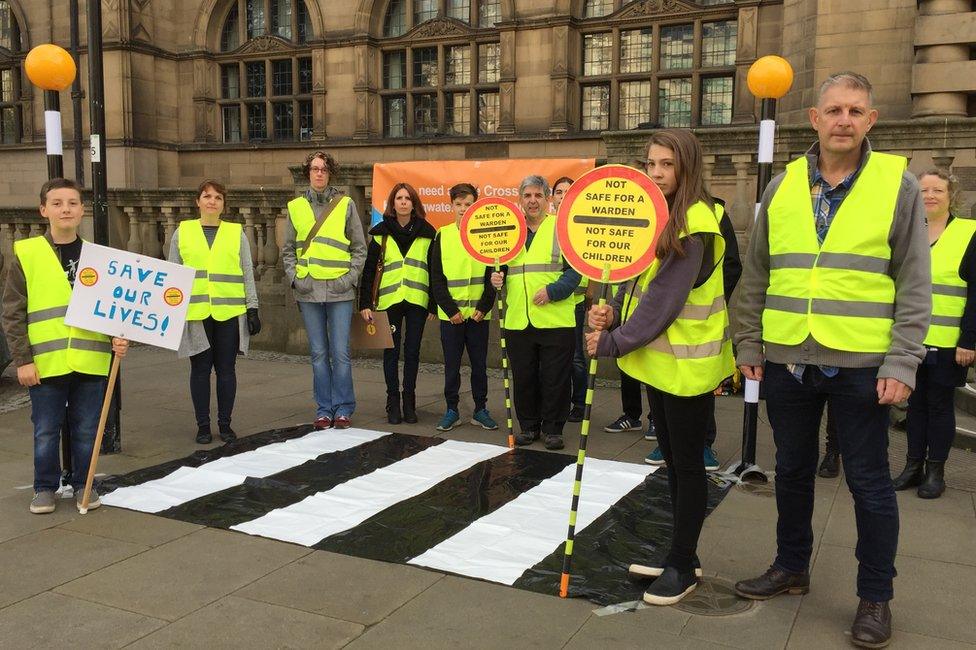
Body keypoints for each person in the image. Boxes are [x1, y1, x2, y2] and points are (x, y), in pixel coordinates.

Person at [732, 72, 929, 648]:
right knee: (791, 471)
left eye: (856, 110)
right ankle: (791, 567)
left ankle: (875, 596)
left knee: (869, 483)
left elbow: (914, 281)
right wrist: (749, 343)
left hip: (865, 364)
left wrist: (903, 363)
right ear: (814, 119)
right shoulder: (783, 185)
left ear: (871, 121)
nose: (844, 119)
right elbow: (757, 273)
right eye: (834, 110)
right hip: (790, 357)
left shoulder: (900, 185)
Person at [586, 129, 733, 605]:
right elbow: (644, 288)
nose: (655, 173)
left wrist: (613, 340)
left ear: (687, 166)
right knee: (673, 465)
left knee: (687, 468)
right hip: (662, 366)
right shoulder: (665, 215)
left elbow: (665, 303)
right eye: (650, 164)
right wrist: (612, 313)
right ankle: (680, 555)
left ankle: (682, 564)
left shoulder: (697, 221)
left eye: (666, 164)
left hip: (689, 369)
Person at [2, 178, 129, 514]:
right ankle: (45, 487)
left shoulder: (99, 258)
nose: (65, 209)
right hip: (45, 362)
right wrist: (22, 361)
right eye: (57, 203)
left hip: (91, 359)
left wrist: (118, 336)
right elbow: (12, 313)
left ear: (82, 210)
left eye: (72, 203)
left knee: (87, 429)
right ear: (44, 210)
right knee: (46, 430)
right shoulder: (26, 255)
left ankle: (82, 483)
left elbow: (116, 308)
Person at [641, 194, 741, 472]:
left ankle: (704, 444)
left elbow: (732, 264)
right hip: (658, 322)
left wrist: (705, 299)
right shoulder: (653, 210)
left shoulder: (715, 213)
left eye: (668, 164)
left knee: (699, 386)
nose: (659, 173)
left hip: (697, 325)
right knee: (658, 378)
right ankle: (665, 441)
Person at [892, 169, 976, 499]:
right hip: (910, 340)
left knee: (940, 407)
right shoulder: (908, 231)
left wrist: (969, 339)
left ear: (950, 195)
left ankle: (935, 471)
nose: (929, 195)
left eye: (937, 190)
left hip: (948, 342)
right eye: (924, 189)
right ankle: (913, 467)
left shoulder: (969, 233)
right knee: (913, 405)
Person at [491, 175, 581, 450]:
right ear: (520, 199)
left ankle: (553, 429)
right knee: (525, 377)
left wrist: (553, 291)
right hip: (519, 318)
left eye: (538, 196)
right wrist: (496, 278)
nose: (532, 201)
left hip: (555, 318)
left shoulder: (562, 229)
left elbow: (575, 270)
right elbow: (499, 266)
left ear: (548, 199)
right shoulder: (510, 232)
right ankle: (529, 427)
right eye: (527, 195)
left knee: (556, 378)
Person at [169, 180, 260, 444]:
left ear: (223, 204)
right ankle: (203, 426)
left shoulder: (236, 233)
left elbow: (247, 272)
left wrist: (252, 308)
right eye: (207, 196)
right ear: (197, 201)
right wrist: (172, 313)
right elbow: (172, 275)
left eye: (218, 197)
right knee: (199, 370)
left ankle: (225, 423)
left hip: (229, 311)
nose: (212, 201)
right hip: (196, 313)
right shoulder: (182, 232)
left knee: (226, 369)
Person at [282, 152, 367, 430]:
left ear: (331, 173)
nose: (319, 173)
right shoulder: (295, 207)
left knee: (340, 352)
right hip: (308, 290)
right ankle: (323, 409)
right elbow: (287, 250)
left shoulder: (345, 204)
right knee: (318, 353)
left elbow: (359, 247)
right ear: (308, 173)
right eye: (315, 169)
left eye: (324, 169)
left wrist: (350, 279)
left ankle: (343, 407)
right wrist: (296, 279)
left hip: (339, 290)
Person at [359, 182, 437, 424]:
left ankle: (409, 402)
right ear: (392, 203)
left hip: (417, 300)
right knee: (391, 353)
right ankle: (392, 402)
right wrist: (364, 304)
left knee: (412, 352)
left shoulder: (427, 232)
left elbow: (435, 271)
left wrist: (433, 304)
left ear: (414, 203)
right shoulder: (380, 233)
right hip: (388, 301)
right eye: (399, 198)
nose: (403, 202)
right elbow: (369, 271)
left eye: (408, 198)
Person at [429, 183, 498, 431]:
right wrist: (450, 310)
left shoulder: (486, 234)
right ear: (451, 206)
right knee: (452, 365)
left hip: (479, 315)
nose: (463, 209)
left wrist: (484, 305)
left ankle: (480, 409)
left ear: (475, 206)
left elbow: (495, 272)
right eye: (458, 204)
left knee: (480, 365)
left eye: (468, 204)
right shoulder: (443, 234)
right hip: (452, 316)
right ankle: (451, 410)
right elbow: (436, 277)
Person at [552, 175, 588, 423]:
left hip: (575, 301)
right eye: (559, 191)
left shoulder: (580, 224)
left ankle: (579, 404)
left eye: (568, 191)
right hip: (552, 304)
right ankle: (559, 403)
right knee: (557, 358)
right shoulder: (549, 225)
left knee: (576, 357)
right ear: (552, 197)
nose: (563, 195)